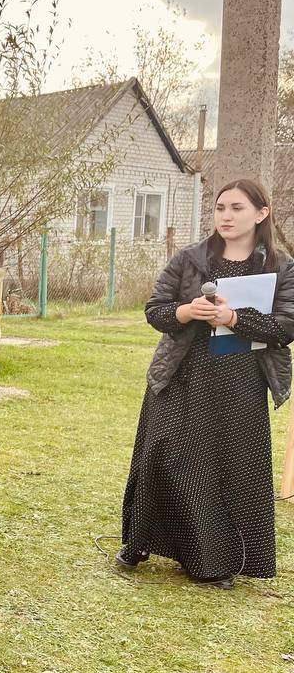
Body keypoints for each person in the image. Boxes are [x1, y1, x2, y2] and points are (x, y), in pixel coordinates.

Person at [120, 179, 292, 587]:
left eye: (236, 208)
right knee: (163, 458)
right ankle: (142, 541)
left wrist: (235, 319)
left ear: (261, 214)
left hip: (241, 381)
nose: (226, 216)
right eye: (220, 209)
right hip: (182, 375)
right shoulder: (190, 259)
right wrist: (185, 311)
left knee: (228, 468)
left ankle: (213, 561)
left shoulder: (281, 267)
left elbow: (286, 326)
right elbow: (155, 311)